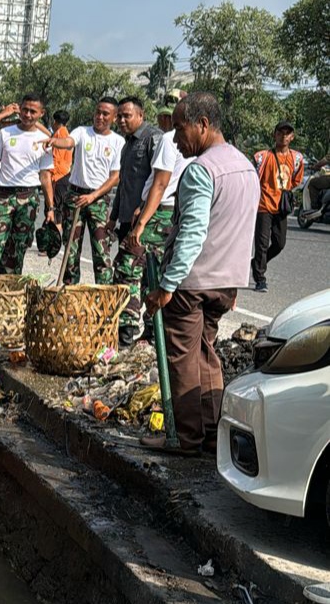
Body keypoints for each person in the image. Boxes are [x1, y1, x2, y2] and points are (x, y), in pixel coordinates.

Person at [143, 92, 259, 454]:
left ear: (203, 125)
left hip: (192, 282)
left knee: (182, 357)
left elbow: (192, 233)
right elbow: (246, 229)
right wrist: (236, 279)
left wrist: (167, 285)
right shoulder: (246, 167)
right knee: (207, 353)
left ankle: (186, 436)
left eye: (180, 128)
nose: (176, 139)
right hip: (225, 282)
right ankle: (211, 433)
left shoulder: (201, 170)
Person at [113, 114, 194, 346]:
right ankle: (152, 331)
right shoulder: (199, 144)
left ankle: (126, 330)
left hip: (158, 213)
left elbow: (160, 184)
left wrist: (140, 224)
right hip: (173, 212)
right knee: (155, 272)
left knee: (128, 268)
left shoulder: (169, 140)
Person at [0, 93, 55, 275]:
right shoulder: (5, 133)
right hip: (2, 196)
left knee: (17, 249)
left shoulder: (45, 140)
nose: (27, 115)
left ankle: (9, 289)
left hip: (28, 198)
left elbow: (45, 177)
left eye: (33, 111)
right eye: (24, 110)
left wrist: (50, 208)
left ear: (41, 113)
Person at [44, 97, 124, 285]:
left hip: (98, 200)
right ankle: (70, 291)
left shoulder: (118, 141)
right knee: (70, 251)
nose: (100, 117)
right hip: (75, 197)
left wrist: (93, 196)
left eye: (105, 114)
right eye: (98, 112)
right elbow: (69, 142)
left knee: (101, 252)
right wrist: (54, 141)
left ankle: (103, 293)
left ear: (114, 117)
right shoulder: (82, 132)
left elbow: (115, 177)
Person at [251, 121, 304, 293]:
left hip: (281, 207)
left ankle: (257, 263)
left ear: (292, 137)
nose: (283, 136)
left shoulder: (296, 158)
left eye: (287, 133)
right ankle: (260, 279)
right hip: (264, 205)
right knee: (262, 244)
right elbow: (253, 178)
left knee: (280, 244)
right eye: (280, 133)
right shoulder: (263, 157)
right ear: (274, 135)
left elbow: (296, 180)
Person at [108, 97, 162, 249]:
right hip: (127, 220)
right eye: (119, 116)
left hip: (145, 221)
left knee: (131, 263)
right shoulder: (128, 144)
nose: (121, 120)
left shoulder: (154, 138)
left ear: (141, 115)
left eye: (127, 116)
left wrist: (143, 209)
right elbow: (122, 184)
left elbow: (160, 180)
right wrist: (113, 218)